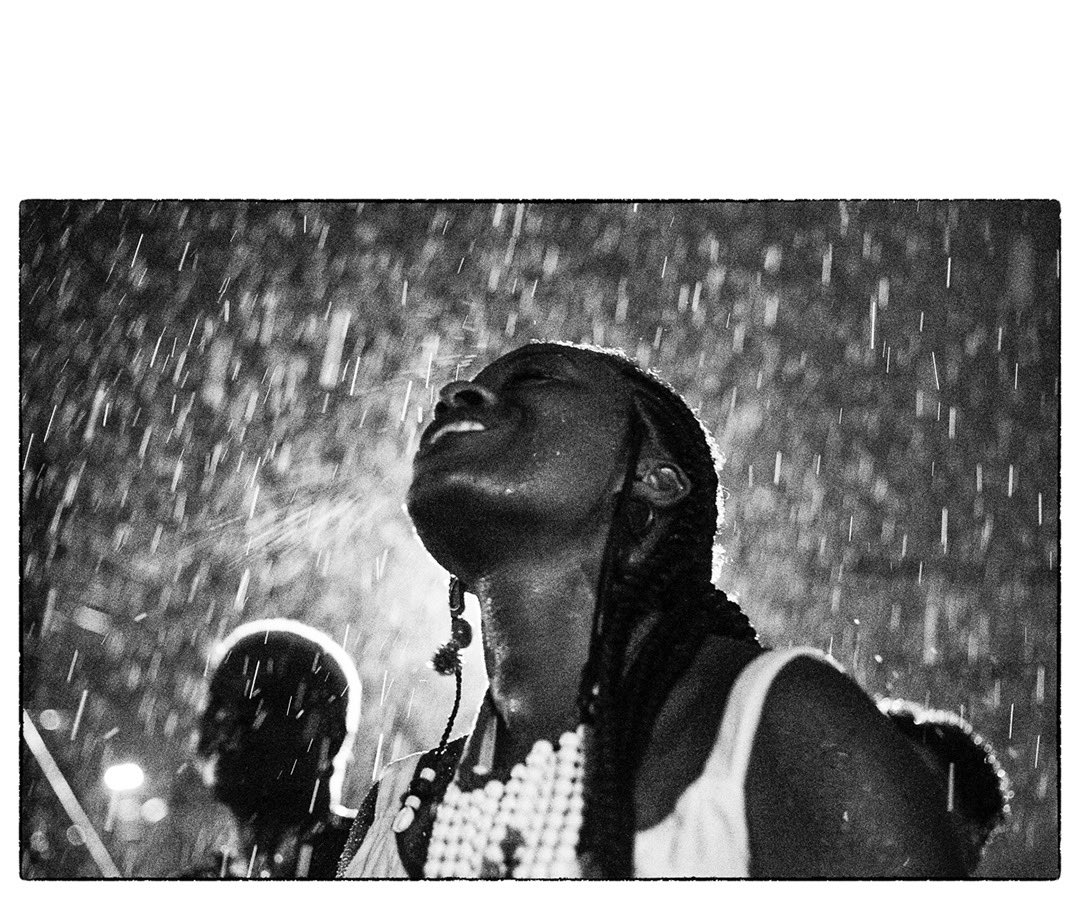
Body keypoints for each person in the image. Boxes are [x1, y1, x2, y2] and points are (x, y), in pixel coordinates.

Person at [337, 341, 1008, 879]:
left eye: (535, 379)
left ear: (655, 478)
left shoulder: (779, 726)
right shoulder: (398, 805)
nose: (460, 394)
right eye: (465, 386)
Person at [183, 619, 361, 879]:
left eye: (250, 707)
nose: (222, 729)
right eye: (216, 705)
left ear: (326, 736)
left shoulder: (377, 860)